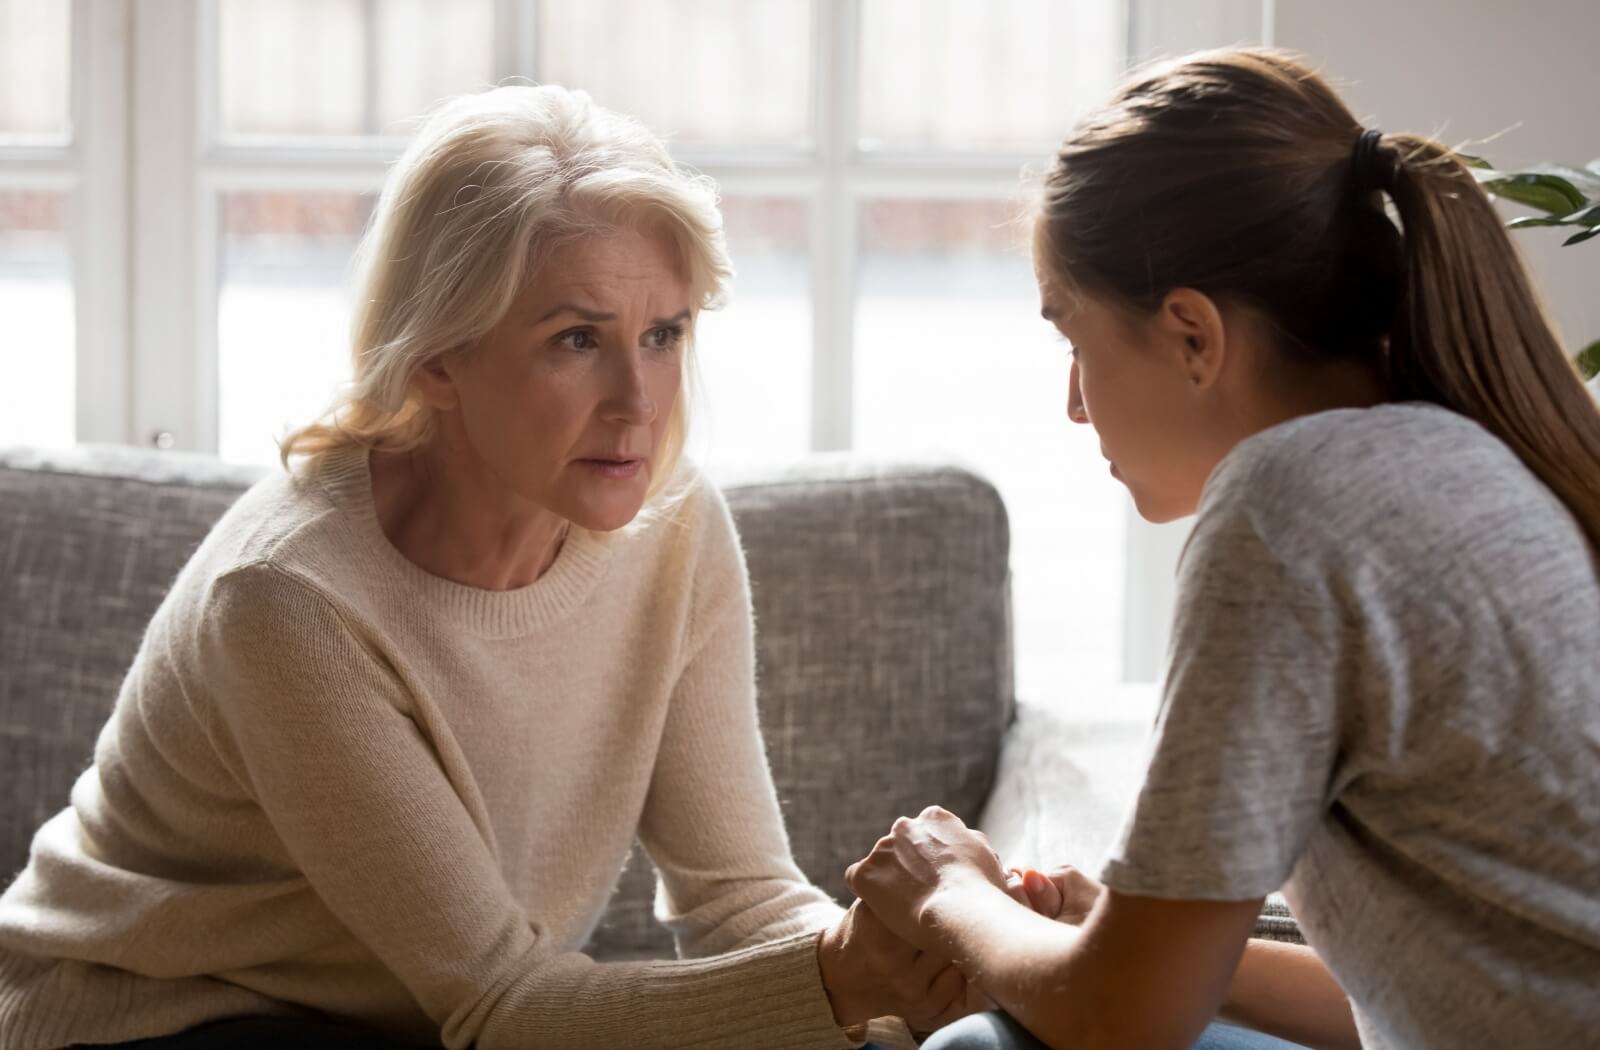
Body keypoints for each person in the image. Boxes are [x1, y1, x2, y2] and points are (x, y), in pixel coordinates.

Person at [0, 86, 967, 1049]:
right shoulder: (289, 600)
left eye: (663, 334)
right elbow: (503, 1006)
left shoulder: (674, 529)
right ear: (435, 360)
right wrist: (839, 980)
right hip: (150, 1014)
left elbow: (744, 898)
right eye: (576, 339)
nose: (638, 402)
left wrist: (907, 981)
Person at [845, 46, 1600, 1050]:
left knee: (987, 1049)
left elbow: (1119, 1020)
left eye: (1074, 338)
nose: (1072, 404)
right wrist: (1127, 937)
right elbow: (1429, 997)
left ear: (1192, 335)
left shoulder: (1289, 504)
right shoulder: (1458, 455)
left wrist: (949, 895)